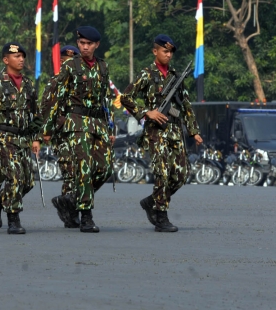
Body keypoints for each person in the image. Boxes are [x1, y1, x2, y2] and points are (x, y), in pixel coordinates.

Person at [120, 34, 203, 232]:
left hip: (175, 130)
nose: (168, 55)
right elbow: (126, 97)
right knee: (162, 173)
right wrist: (146, 112)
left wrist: (194, 131)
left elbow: (186, 105)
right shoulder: (147, 74)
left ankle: (152, 201)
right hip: (156, 131)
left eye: (171, 52)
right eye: (165, 51)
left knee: (182, 174)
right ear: (155, 51)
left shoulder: (176, 76)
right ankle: (161, 216)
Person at [42, 27, 115, 233]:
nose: (84, 47)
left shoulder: (103, 66)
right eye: (81, 43)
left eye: (88, 44)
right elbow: (58, 97)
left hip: (98, 123)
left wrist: (110, 126)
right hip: (76, 122)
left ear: (96, 45)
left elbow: (105, 99)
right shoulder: (71, 66)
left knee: (104, 169)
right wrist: (47, 129)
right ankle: (86, 216)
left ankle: (71, 200)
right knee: (84, 168)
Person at [0, 42, 42, 235]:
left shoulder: (29, 84)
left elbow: (35, 114)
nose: (21, 59)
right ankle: (13, 218)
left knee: (28, 181)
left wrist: (36, 138)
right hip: (4, 138)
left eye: (22, 56)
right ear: (6, 60)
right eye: (16, 56)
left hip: (22, 138)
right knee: (15, 177)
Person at [40, 45, 80, 227]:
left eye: (73, 60)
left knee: (83, 172)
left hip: (81, 133)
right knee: (70, 172)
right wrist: (51, 128)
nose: (69, 63)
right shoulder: (55, 82)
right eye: (65, 60)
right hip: (63, 134)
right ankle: (69, 211)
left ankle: (69, 206)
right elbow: (46, 109)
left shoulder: (83, 83)